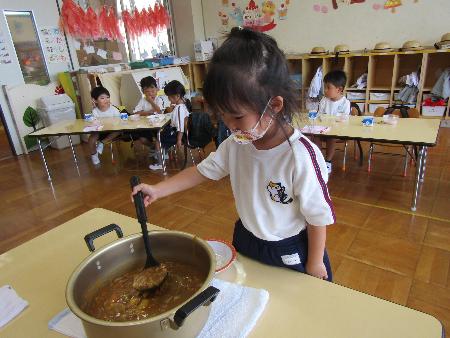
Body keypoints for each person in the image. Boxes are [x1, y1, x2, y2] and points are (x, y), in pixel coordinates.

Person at [133, 27, 335, 281]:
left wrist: (315, 263)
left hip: (289, 249)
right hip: (247, 238)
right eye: (222, 115)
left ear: (274, 105)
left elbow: (317, 217)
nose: (229, 125)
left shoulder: (300, 156)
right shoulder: (237, 143)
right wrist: (159, 190)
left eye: (237, 116)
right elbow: (201, 171)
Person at [149, 80, 191, 171]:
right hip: (178, 131)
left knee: (158, 140)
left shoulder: (179, 108)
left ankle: (160, 163)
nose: (168, 99)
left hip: (177, 133)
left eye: (170, 97)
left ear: (177, 96)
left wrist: (179, 140)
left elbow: (180, 126)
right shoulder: (184, 103)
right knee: (161, 134)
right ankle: (164, 153)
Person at [316, 70, 351, 174]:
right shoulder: (324, 100)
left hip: (338, 131)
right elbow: (319, 115)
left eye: (328, 87)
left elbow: (344, 119)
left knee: (331, 136)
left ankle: (328, 161)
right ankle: (319, 159)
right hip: (323, 129)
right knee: (315, 135)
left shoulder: (345, 103)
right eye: (325, 87)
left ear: (339, 89)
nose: (325, 90)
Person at [132, 76, 166, 155]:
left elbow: (159, 111)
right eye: (147, 92)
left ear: (157, 89)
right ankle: (153, 147)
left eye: (153, 90)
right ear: (143, 91)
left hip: (158, 126)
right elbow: (135, 113)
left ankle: (161, 150)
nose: (150, 93)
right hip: (146, 125)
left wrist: (151, 102)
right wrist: (150, 112)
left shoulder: (159, 99)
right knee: (142, 139)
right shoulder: (142, 100)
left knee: (160, 137)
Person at [88, 87, 121, 165]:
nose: (106, 100)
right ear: (95, 100)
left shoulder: (114, 110)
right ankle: (94, 155)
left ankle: (102, 142)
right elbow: (94, 123)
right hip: (100, 131)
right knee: (91, 139)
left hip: (112, 130)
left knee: (119, 130)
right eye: (102, 98)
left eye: (108, 97)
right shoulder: (95, 111)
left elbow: (119, 123)